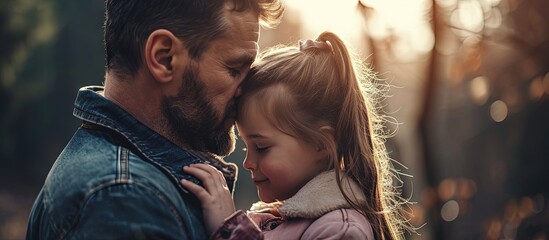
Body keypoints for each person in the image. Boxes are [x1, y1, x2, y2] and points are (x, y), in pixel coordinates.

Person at [26, 0, 283, 239]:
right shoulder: (123, 200)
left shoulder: (121, 187)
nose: (247, 91)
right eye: (234, 70)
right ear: (164, 58)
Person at [181, 31, 410, 239]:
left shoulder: (341, 230)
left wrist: (229, 229)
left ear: (321, 144)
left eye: (261, 147)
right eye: (246, 146)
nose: (248, 163)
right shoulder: (278, 218)